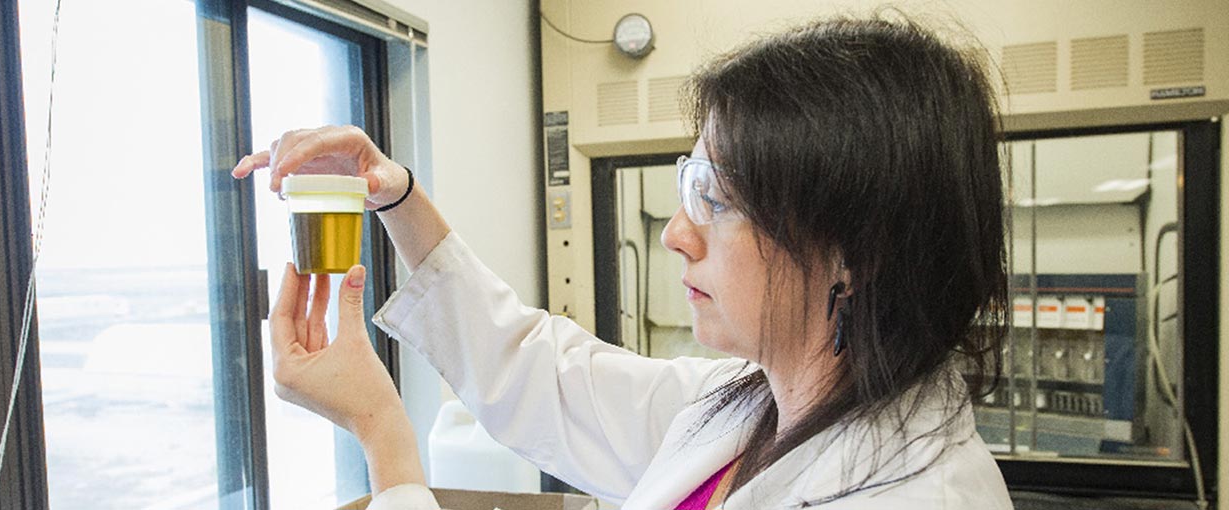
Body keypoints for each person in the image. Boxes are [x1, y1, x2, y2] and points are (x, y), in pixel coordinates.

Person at [233, 15, 1013, 510]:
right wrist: (396, 196)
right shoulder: (749, 409)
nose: (678, 231)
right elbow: (546, 375)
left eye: (718, 195)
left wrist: (382, 434)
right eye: (689, 183)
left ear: (858, 250)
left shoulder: (915, 496)